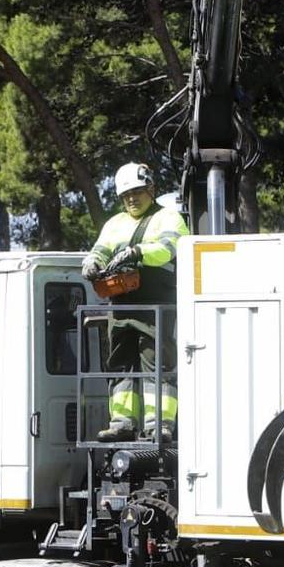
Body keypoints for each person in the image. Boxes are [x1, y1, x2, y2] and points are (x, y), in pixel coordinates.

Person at [81, 162, 189, 441]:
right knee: (120, 363)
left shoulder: (168, 218)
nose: (132, 198)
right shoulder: (114, 224)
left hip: (156, 307)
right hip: (121, 307)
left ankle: (160, 425)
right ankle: (122, 422)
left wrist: (136, 252)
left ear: (150, 189)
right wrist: (92, 263)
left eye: (137, 192)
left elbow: (168, 249)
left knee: (155, 363)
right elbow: (99, 251)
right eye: (126, 195)